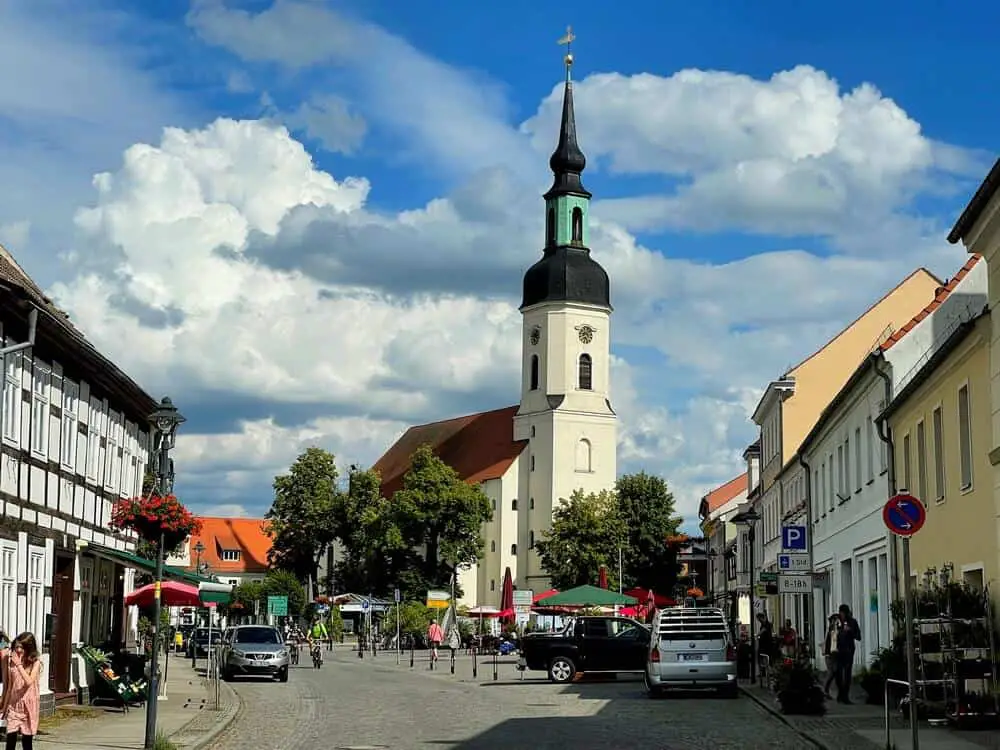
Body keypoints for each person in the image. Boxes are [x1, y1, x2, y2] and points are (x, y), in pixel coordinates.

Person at [2, 632, 41, 749]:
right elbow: (9, 686)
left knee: (27, 742)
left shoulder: (35, 662)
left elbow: (29, 682)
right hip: (14, 705)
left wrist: (19, 665)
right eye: (16, 646)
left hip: (29, 705)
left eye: (22, 647)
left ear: (29, 648)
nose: (18, 650)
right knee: (10, 739)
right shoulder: (10, 662)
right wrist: (4, 704)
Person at [835, 604, 861, 704]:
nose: (841, 615)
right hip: (838, 650)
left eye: (843, 613)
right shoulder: (837, 622)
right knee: (838, 674)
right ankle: (840, 693)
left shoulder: (853, 622)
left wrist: (850, 631)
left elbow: (858, 636)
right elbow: (831, 633)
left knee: (847, 674)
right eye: (840, 612)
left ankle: (845, 696)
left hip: (849, 650)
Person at [822, 614, 840, 699]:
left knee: (835, 672)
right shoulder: (831, 630)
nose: (837, 621)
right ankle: (825, 690)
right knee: (831, 672)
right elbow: (829, 642)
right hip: (829, 655)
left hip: (835, 654)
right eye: (835, 620)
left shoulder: (836, 629)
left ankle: (828, 691)